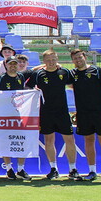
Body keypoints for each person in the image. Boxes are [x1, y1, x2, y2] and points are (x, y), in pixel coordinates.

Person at [26, 49, 80, 180]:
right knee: (49, 140)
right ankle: (53, 169)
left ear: (57, 59)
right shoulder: (38, 74)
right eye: (48, 60)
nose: (51, 62)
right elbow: (27, 87)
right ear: (44, 61)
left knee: (69, 140)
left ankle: (73, 169)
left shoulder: (64, 72)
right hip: (46, 112)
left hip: (62, 112)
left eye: (53, 59)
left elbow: (75, 85)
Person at [68, 48, 101, 183]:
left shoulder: (96, 70)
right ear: (72, 61)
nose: (78, 60)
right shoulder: (73, 74)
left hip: (100, 113)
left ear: (84, 57)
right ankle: (92, 171)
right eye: (75, 58)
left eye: (80, 57)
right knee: (88, 142)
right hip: (84, 114)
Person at [0, 56, 31, 180]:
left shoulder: (21, 77)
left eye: (15, 64)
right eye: (10, 64)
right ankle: (9, 169)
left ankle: (21, 169)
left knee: (21, 141)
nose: (13, 66)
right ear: (6, 65)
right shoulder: (0, 78)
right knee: (5, 142)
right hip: (3, 115)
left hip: (18, 114)